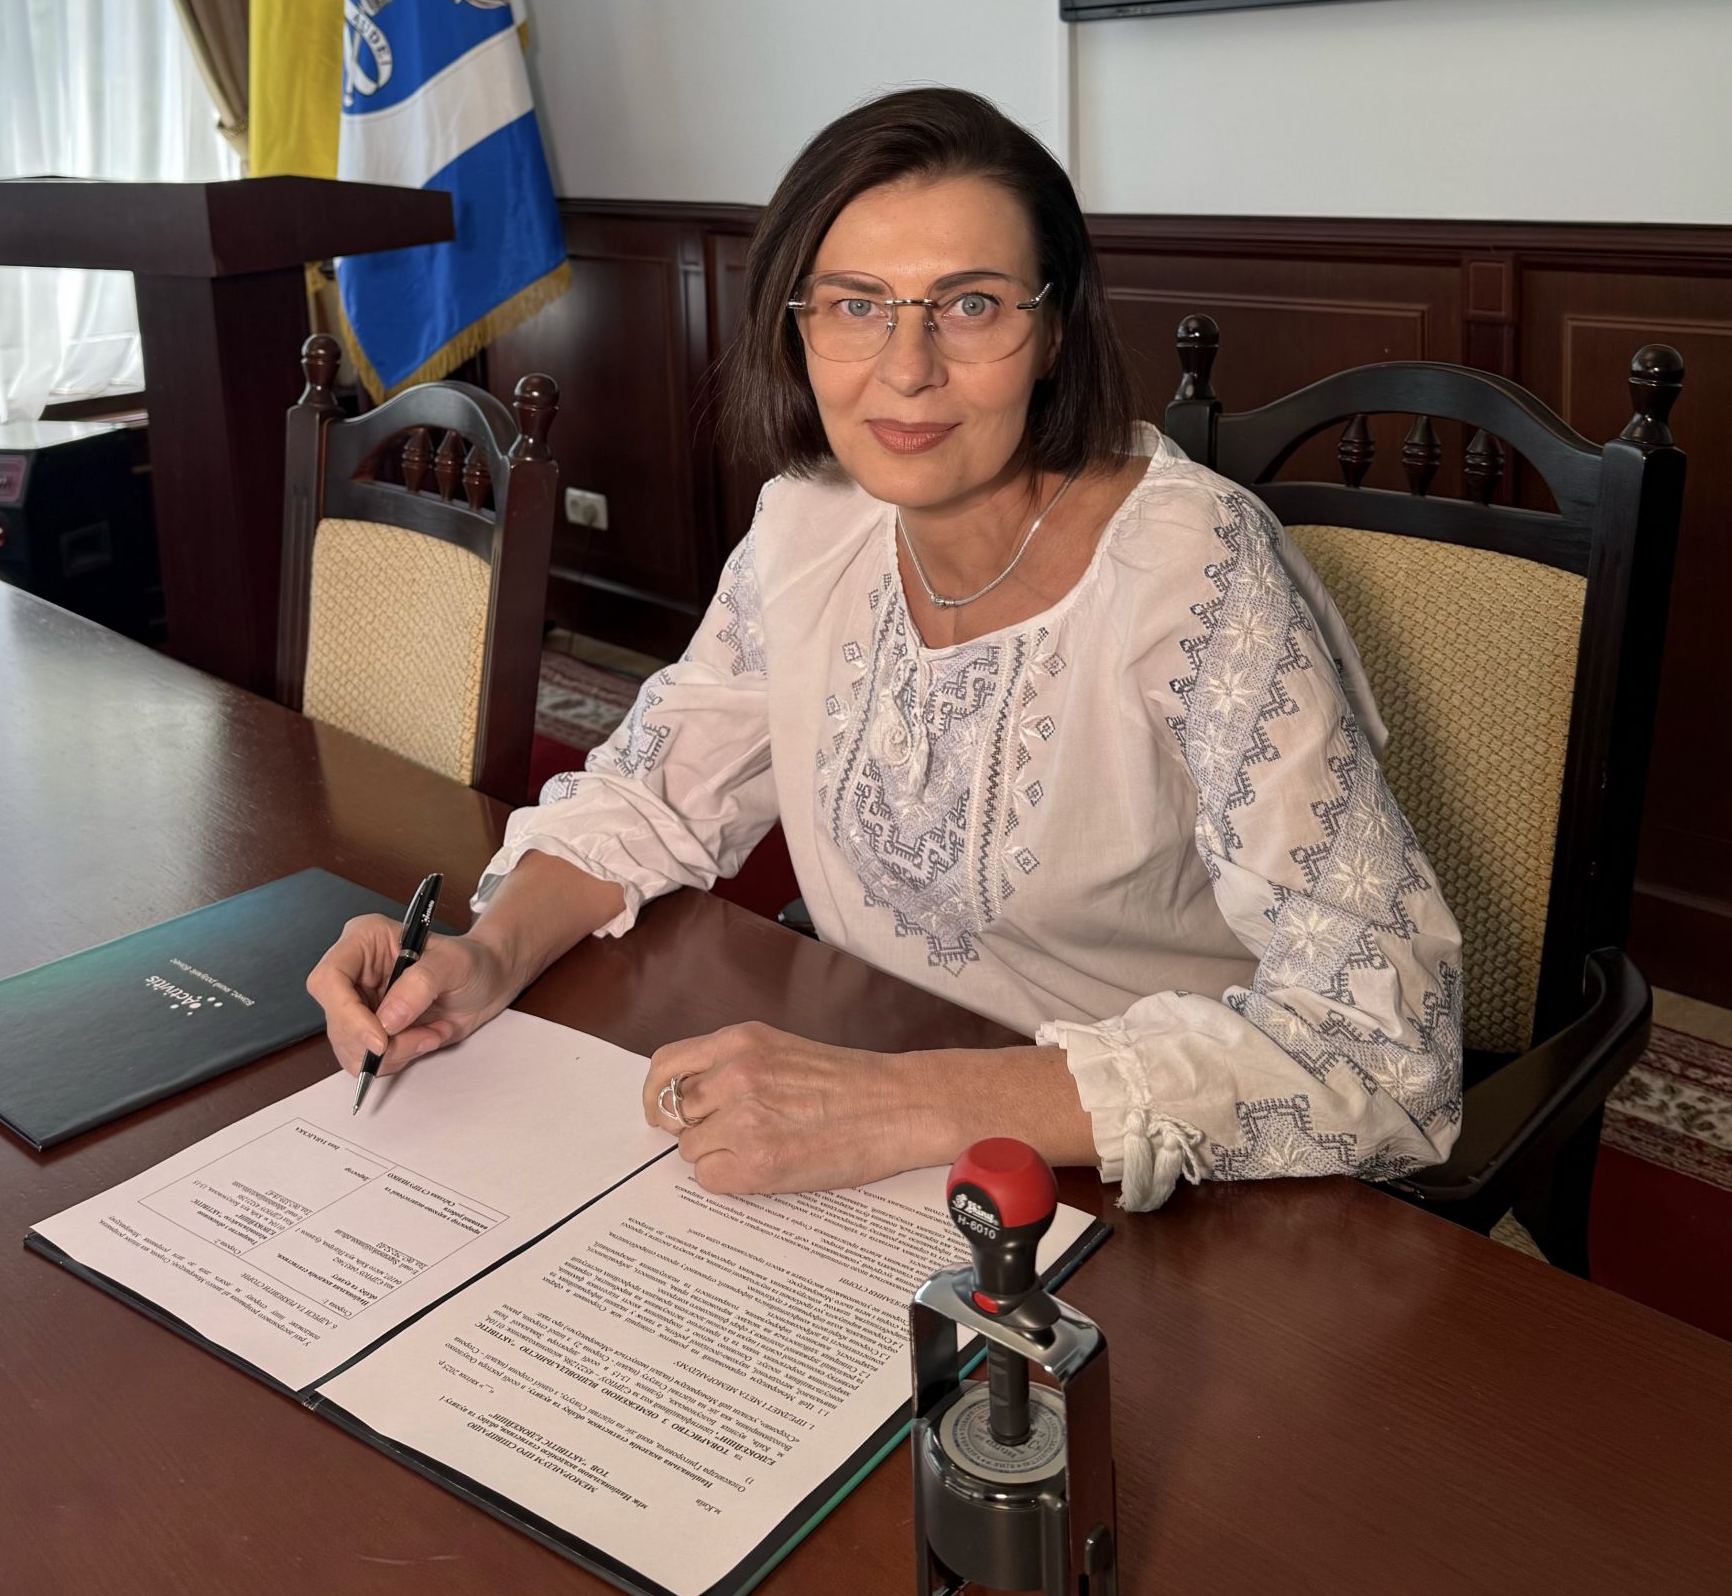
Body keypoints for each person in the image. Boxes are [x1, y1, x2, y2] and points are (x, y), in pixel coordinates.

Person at [307, 88, 1463, 1211]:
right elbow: (653, 791)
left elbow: (1385, 1047)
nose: (908, 368)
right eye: (857, 305)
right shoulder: (808, 521)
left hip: (1157, 1183)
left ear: (1053, 329)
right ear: (798, 326)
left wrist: (905, 1104)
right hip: (877, 1120)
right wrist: (485, 956)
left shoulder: (1194, 570)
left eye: (972, 305)